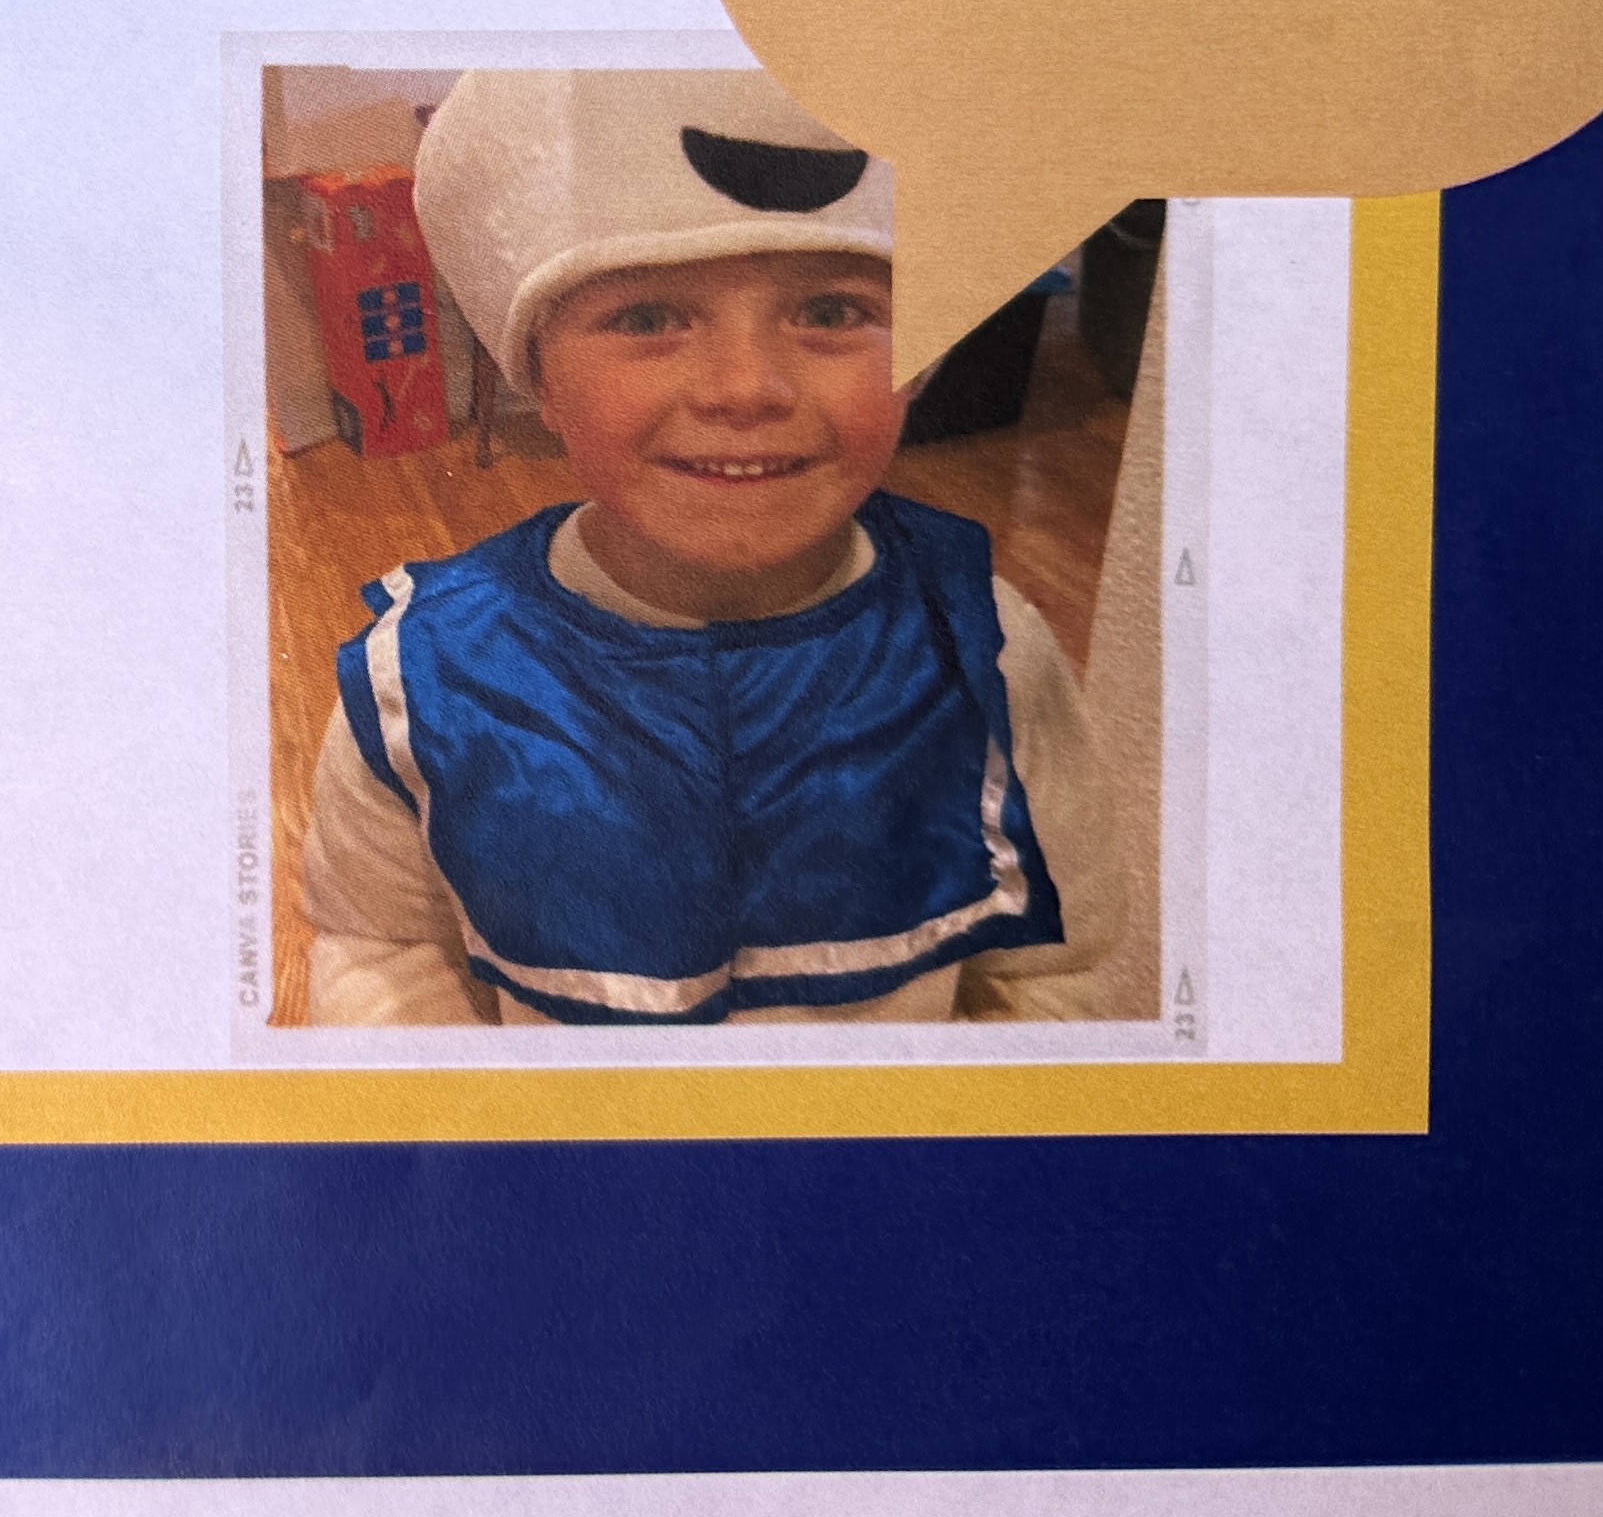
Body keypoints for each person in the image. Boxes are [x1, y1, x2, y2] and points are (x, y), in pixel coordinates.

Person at [298, 66, 1121, 1027]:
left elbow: (1059, 968)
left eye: (831, 312)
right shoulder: (422, 683)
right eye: (648, 318)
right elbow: (382, 950)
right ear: (541, 379)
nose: (746, 387)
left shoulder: (987, 654)